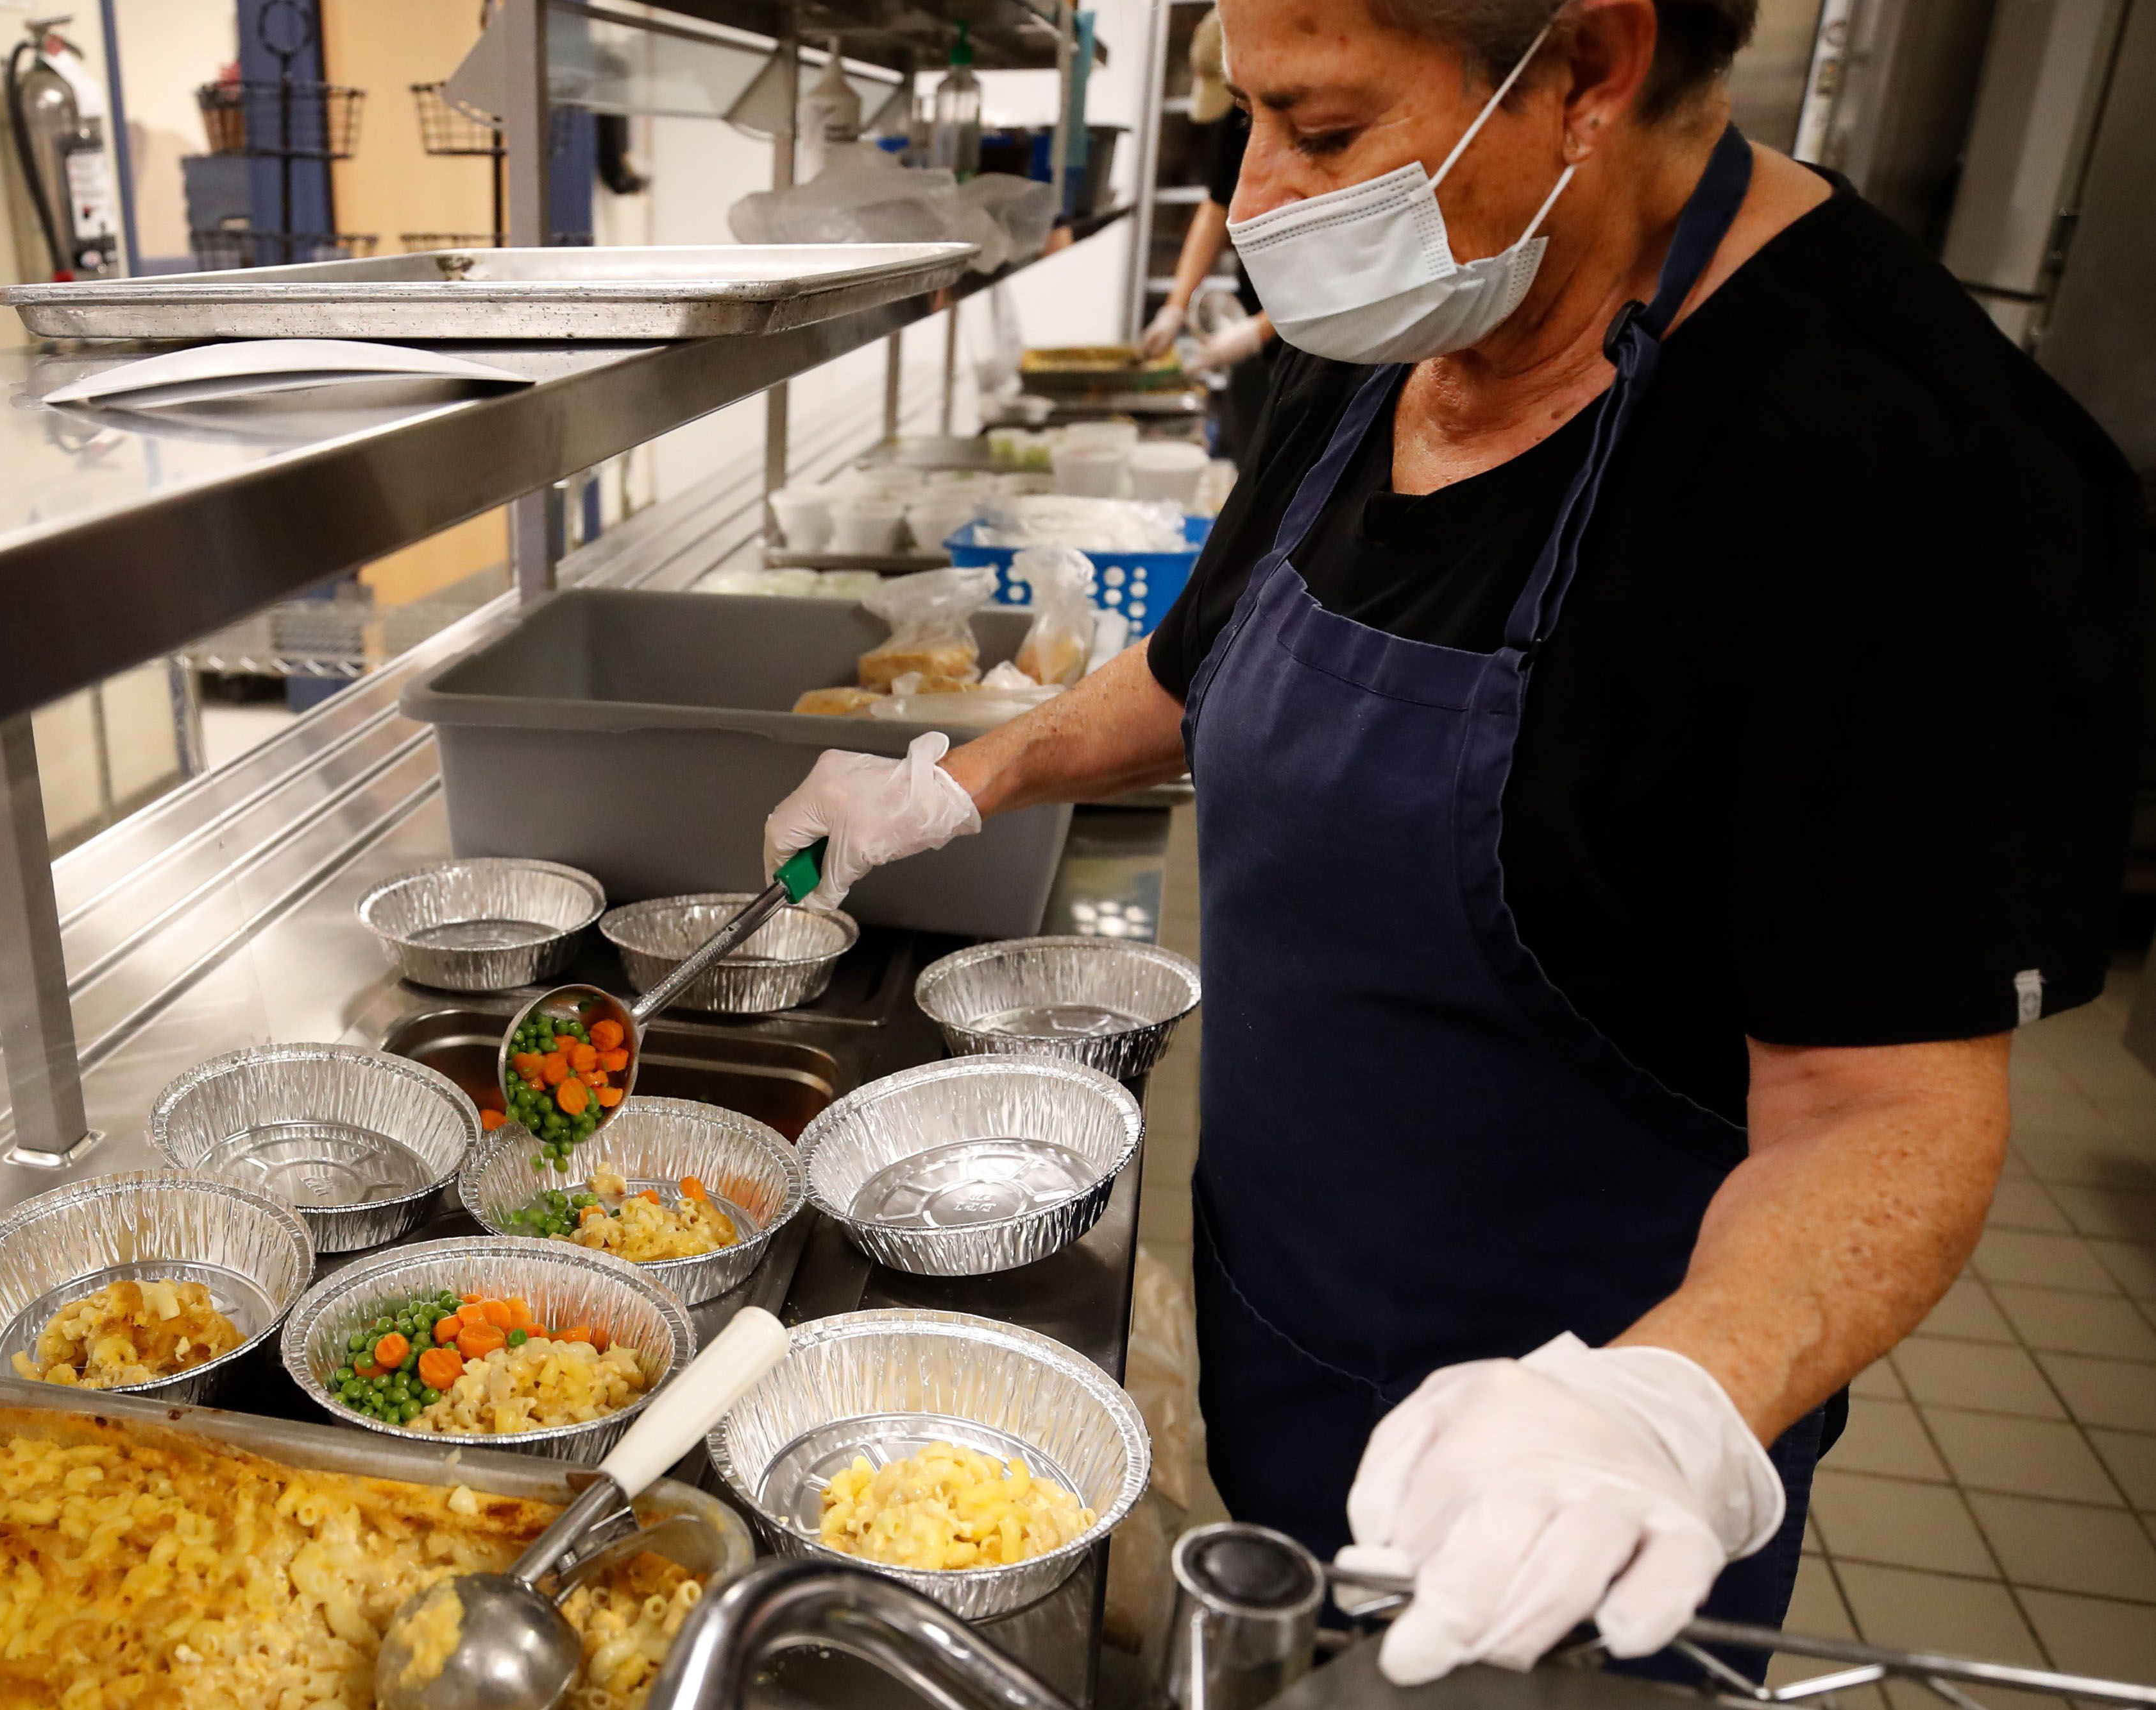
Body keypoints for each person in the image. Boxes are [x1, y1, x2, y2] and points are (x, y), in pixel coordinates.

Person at [765, 0, 2141, 1684]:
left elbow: (1892, 1123)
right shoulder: (1400, 323)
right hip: (1294, 1337)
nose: (1261, 198)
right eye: (1243, 125)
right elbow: (1206, 660)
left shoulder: (1896, 475)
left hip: (1559, 1491)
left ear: (1587, 68)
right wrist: (949, 785)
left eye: (1325, 134)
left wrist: (1665, 1401)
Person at [1137, 12, 1281, 460]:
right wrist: (1174, 306)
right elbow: (1216, 207)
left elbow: (1344, 265)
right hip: (1261, 324)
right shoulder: (1239, 123)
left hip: (1317, 342)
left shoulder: (1310, 128)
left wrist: (1256, 332)